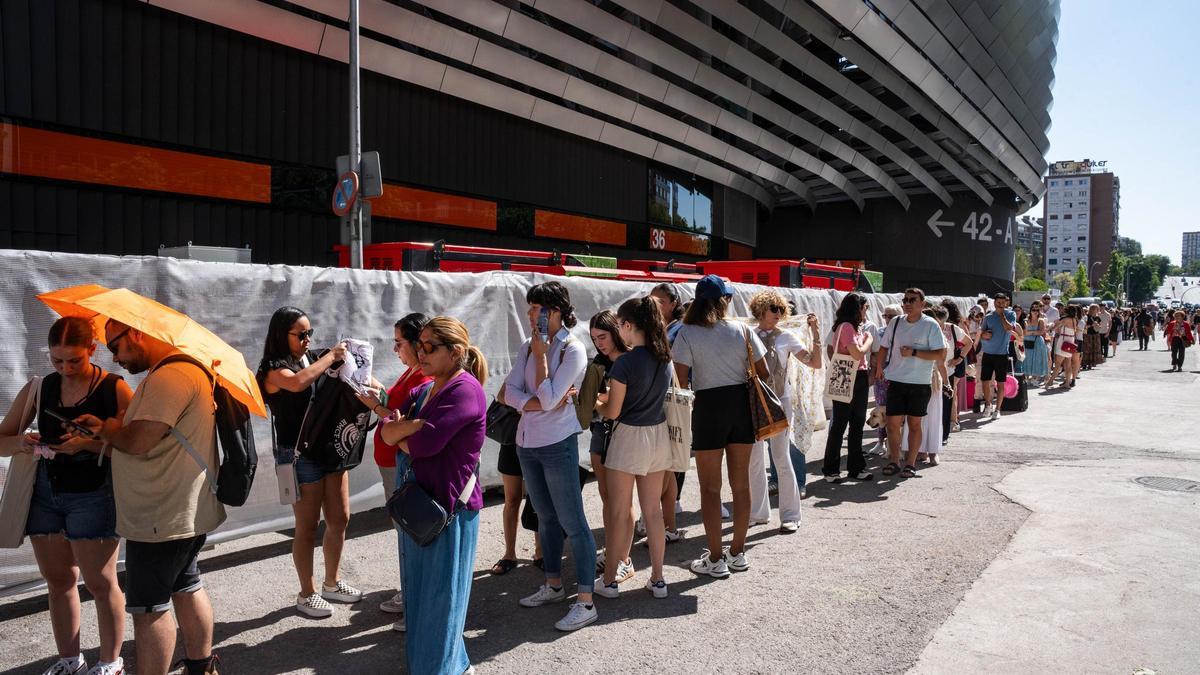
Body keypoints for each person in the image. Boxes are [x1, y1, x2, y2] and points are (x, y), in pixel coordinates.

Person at [72, 320, 224, 675]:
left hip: (160, 516)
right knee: (186, 585)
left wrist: (110, 429)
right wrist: (103, 433)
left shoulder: (170, 377)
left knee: (149, 609)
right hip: (179, 510)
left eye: (115, 346)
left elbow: (138, 441)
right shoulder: (180, 370)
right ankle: (202, 668)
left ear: (137, 333)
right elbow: (152, 440)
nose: (113, 357)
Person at [0, 317, 132, 675]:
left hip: (94, 494)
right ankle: (70, 659)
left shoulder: (114, 388)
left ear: (93, 349)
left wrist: (87, 444)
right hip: (45, 493)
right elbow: (2, 440)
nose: (65, 368)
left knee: (101, 583)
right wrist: (23, 443)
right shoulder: (40, 387)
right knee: (58, 580)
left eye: (74, 360)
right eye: (57, 360)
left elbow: (136, 447)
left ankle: (110, 662)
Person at [380, 317, 487, 674]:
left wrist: (403, 432)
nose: (420, 352)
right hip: (422, 507)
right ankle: (447, 666)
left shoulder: (464, 389)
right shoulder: (427, 389)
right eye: (419, 344)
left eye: (428, 346)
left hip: (448, 511)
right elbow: (385, 432)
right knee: (421, 600)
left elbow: (424, 444)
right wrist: (406, 429)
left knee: (442, 603)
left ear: (454, 352)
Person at [502, 281, 597, 632]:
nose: (530, 314)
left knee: (573, 521)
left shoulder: (572, 349)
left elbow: (550, 396)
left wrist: (542, 360)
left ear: (555, 311)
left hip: (557, 442)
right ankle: (554, 585)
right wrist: (539, 402)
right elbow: (507, 391)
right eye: (530, 308)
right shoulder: (527, 346)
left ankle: (586, 601)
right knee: (545, 517)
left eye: (536, 308)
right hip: (527, 441)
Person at [256, 308, 364, 618]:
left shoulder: (312, 357)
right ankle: (307, 592)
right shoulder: (273, 369)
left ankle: (332, 582)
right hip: (299, 454)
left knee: (340, 518)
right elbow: (299, 383)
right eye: (300, 335)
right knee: (306, 527)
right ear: (281, 335)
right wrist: (331, 356)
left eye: (309, 333)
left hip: (329, 448)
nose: (307, 340)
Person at [672, 275, 768, 577]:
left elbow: (680, 381)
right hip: (740, 405)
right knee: (741, 484)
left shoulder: (686, 332)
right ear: (724, 300)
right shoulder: (742, 330)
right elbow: (763, 371)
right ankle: (737, 552)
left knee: (710, 488)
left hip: (707, 408)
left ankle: (715, 558)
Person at [593, 297, 685, 599]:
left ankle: (609, 581)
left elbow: (614, 411)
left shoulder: (625, 362)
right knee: (653, 513)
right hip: (658, 436)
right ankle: (658, 579)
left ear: (629, 325)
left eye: (620, 324)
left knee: (619, 511)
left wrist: (592, 403)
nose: (620, 330)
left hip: (628, 438)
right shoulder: (664, 357)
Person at [370, 313, 431, 626]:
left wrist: (376, 407)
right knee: (404, 533)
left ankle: (416, 602)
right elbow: (395, 411)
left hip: (400, 464)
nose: (395, 349)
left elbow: (402, 423)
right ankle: (411, 594)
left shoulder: (424, 380)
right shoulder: (411, 373)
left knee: (410, 534)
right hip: (391, 463)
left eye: (399, 343)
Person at [747, 290, 821, 533]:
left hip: (780, 400)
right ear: (760, 310)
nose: (778, 313)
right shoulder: (748, 334)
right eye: (773, 308)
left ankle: (790, 514)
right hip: (754, 400)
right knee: (754, 459)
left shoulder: (786, 336)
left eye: (780, 309)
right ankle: (758, 513)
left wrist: (816, 334)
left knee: (781, 455)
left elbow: (813, 362)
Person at [585, 310, 636, 584]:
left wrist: (597, 399)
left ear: (616, 331)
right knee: (607, 498)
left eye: (602, 336)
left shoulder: (630, 360)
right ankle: (613, 551)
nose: (599, 343)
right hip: (600, 432)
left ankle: (624, 559)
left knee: (623, 501)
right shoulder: (599, 362)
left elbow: (617, 404)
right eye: (594, 339)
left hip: (624, 434)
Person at [875, 288, 947, 478]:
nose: (907, 303)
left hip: (919, 383)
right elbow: (883, 347)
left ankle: (910, 463)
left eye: (912, 300)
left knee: (914, 424)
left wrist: (914, 352)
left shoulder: (931, 325)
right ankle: (894, 461)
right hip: (896, 381)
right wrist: (879, 368)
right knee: (891, 424)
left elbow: (941, 354)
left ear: (922, 304)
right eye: (905, 300)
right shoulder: (896, 322)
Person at [647, 283, 687, 537]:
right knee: (663, 461)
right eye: (653, 301)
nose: (657, 305)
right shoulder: (656, 327)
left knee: (669, 458)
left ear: (673, 303)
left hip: (672, 398)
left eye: (661, 301)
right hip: (657, 398)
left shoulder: (680, 329)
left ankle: (664, 515)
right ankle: (663, 518)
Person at [822, 293, 873, 484]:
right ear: (857, 308)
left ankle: (856, 467)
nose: (866, 311)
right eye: (865, 307)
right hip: (848, 376)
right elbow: (857, 353)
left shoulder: (853, 327)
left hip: (856, 376)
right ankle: (831, 469)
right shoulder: (847, 327)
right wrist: (868, 339)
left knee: (857, 423)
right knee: (840, 425)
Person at [904, 307, 950, 465]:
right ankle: (920, 451)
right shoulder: (912, 335)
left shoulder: (938, 337)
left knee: (931, 417)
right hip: (914, 379)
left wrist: (947, 384)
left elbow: (941, 363)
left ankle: (932, 452)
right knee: (918, 418)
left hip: (932, 381)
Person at [978, 293, 1021, 420]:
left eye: (1003, 302)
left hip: (1001, 354)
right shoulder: (988, 316)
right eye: (998, 302)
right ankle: (988, 405)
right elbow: (982, 333)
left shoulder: (1010, 314)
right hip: (988, 353)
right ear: (995, 302)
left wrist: (1002, 315)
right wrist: (984, 335)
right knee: (985, 381)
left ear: (1006, 303)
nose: (1001, 304)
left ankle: (998, 409)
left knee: (1000, 383)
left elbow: (1009, 328)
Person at [869, 304, 901, 455]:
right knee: (880, 408)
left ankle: (897, 444)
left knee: (897, 409)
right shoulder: (880, 332)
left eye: (891, 316)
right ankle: (880, 441)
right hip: (881, 375)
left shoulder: (903, 332)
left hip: (899, 374)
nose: (888, 319)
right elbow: (874, 353)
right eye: (885, 316)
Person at [939, 299, 972, 439]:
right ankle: (952, 421)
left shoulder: (955, 325)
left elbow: (967, 341)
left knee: (951, 393)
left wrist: (959, 358)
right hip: (951, 363)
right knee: (951, 393)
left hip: (953, 363)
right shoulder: (955, 323)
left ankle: (952, 421)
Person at [1048, 305, 1079, 389]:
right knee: (1068, 364)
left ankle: (1050, 382)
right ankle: (1067, 383)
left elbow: (1055, 327)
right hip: (1070, 341)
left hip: (1063, 341)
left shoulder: (1065, 319)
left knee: (1058, 364)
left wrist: (1050, 328)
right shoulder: (1074, 320)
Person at [1022, 301, 1052, 387]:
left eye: (1037, 310)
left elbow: (1041, 332)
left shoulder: (1041, 320)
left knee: (1037, 360)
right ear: (1030, 311)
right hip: (1027, 342)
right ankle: (1027, 378)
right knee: (1027, 360)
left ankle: (1035, 379)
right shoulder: (1025, 320)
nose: (1035, 311)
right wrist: (1034, 332)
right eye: (1033, 310)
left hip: (1038, 342)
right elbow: (1024, 332)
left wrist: (1030, 332)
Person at [1081, 304, 1103, 370]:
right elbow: (1084, 327)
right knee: (1087, 349)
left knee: (1094, 349)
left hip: (1095, 335)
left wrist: (1098, 326)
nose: (1097, 310)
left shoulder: (1098, 318)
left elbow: (1100, 326)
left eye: (1097, 309)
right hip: (1088, 335)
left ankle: (1091, 363)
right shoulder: (1087, 317)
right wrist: (1092, 325)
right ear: (1092, 309)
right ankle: (1084, 363)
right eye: (1096, 309)